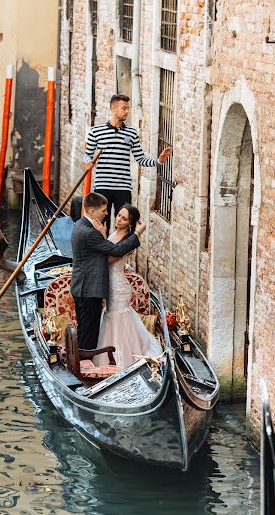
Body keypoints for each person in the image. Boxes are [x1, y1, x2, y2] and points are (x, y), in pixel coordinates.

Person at [70, 192, 146, 351]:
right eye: (104, 210)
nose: (108, 214)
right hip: (89, 288)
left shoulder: (80, 225)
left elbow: (112, 251)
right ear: (92, 211)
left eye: (123, 218)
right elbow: (115, 251)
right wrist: (138, 233)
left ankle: (85, 360)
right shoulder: (91, 232)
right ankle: (85, 363)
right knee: (88, 333)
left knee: (87, 330)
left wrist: (102, 235)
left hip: (96, 286)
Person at [83, 94, 171, 230]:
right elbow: (87, 155)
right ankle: (102, 251)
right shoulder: (96, 132)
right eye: (124, 108)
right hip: (102, 186)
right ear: (113, 109)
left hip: (123, 187)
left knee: (124, 226)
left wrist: (159, 160)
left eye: (128, 108)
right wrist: (88, 162)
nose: (127, 111)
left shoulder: (131, 133)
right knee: (99, 225)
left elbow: (141, 159)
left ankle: (119, 251)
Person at [93, 204, 162, 368]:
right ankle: (110, 357)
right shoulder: (114, 233)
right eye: (118, 215)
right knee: (111, 319)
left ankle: (122, 361)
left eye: (124, 218)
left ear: (130, 223)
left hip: (118, 287)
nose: (118, 219)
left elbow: (110, 258)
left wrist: (101, 237)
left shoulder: (127, 241)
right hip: (111, 285)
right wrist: (103, 235)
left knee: (118, 321)